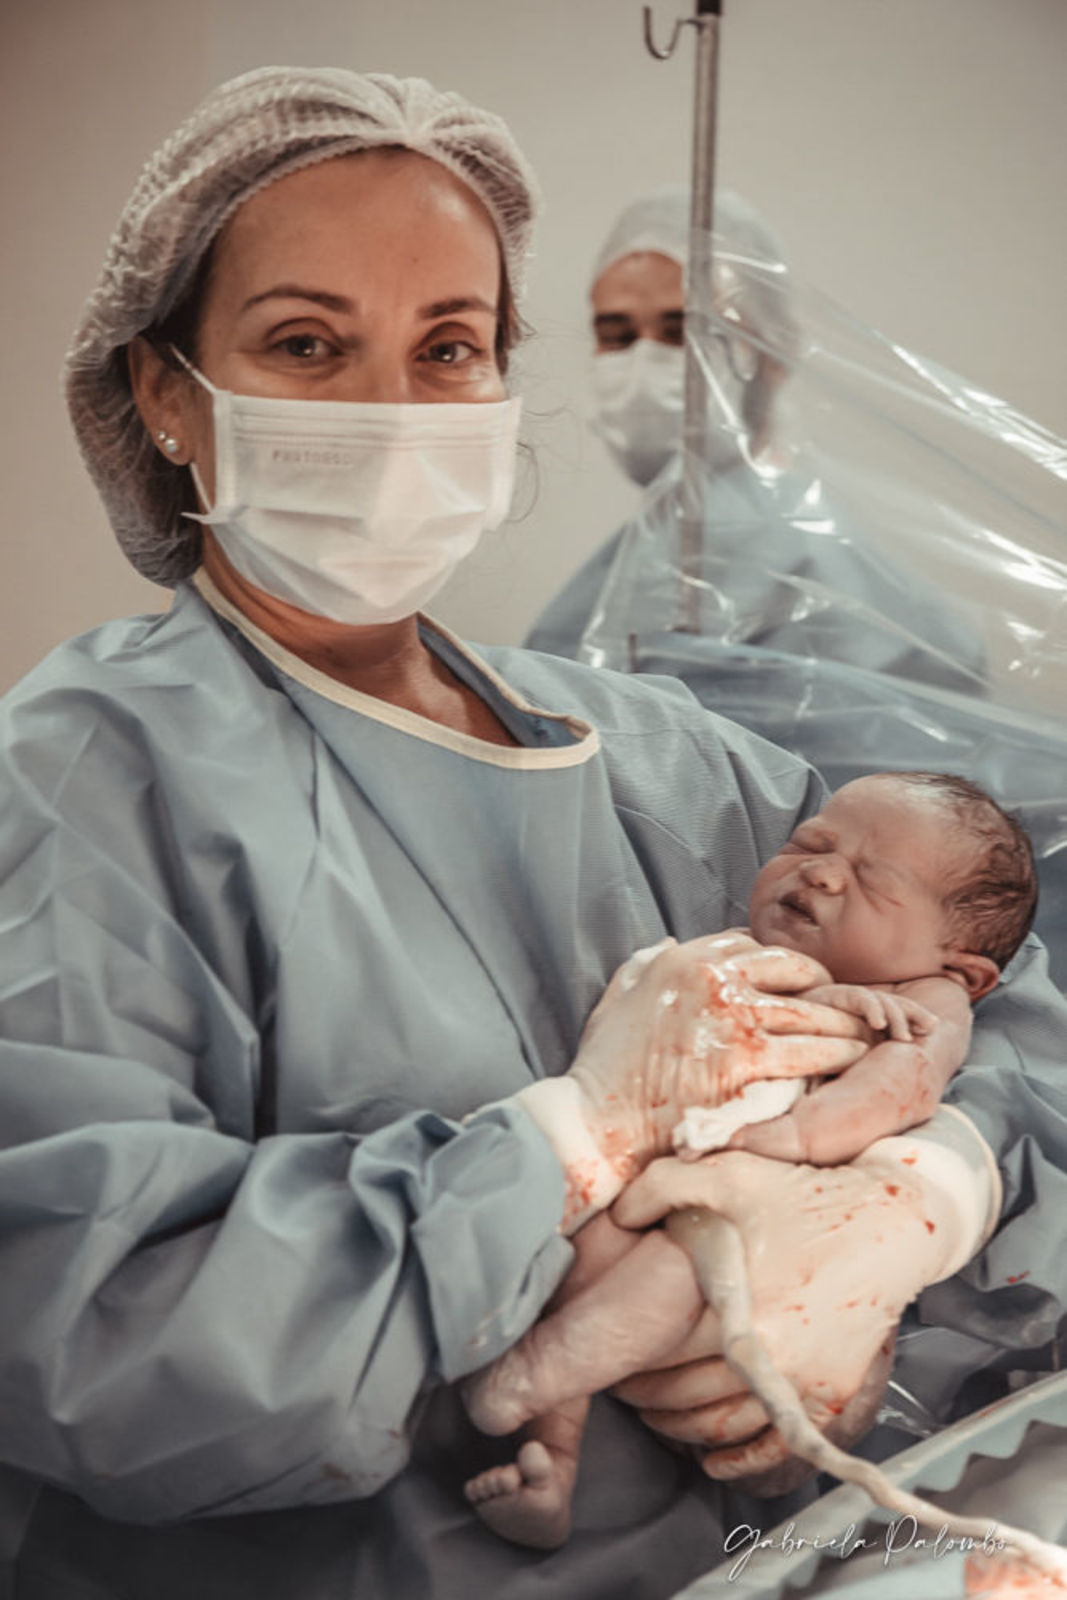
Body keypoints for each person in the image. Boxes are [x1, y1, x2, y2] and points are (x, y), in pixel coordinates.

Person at [0, 66, 1063, 1600]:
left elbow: (998, 967)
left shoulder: (650, 752)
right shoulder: (92, 775)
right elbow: (101, 1344)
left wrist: (907, 1205)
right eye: (305, 345)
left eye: (447, 348)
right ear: (165, 396)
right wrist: (566, 1144)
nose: (389, 410)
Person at [462, 771, 1036, 1548]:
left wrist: (791, 1140)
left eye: (873, 880)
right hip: (659, 1200)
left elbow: (897, 1090)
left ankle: (537, 1375)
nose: (821, 872)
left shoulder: (924, 1003)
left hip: (774, 1243)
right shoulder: (735, 953)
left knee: (676, 1278)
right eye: (809, 843)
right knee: (572, 1252)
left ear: (960, 969)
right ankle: (551, 1465)